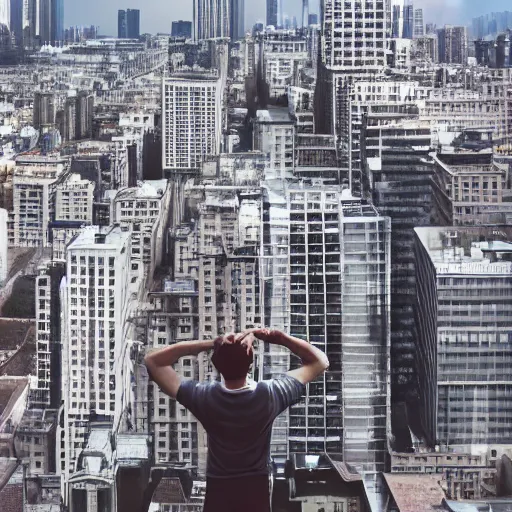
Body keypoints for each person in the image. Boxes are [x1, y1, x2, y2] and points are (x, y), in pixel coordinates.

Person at [144, 327, 329, 512]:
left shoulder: (204, 397)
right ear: (251, 359)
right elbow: (320, 361)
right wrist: (280, 338)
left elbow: (153, 361)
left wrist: (211, 344)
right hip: (255, 489)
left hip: (219, 488)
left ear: (216, 362)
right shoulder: (271, 395)